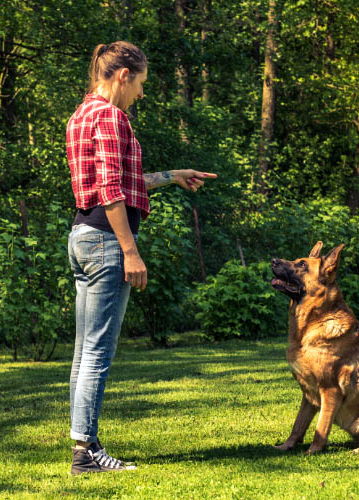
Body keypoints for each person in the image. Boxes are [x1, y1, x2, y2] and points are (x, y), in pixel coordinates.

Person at [65, 41, 217, 475]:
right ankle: (86, 452)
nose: (142, 95)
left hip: (82, 235)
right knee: (97, 352)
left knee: (82, 353)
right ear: (123, 75)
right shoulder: (112, 117)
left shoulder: (81, 115)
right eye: (142, 84)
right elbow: (112, 191)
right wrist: (131, 251)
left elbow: (121, 182)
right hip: (106, 242)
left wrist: (173, 176)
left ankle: (83, 444)